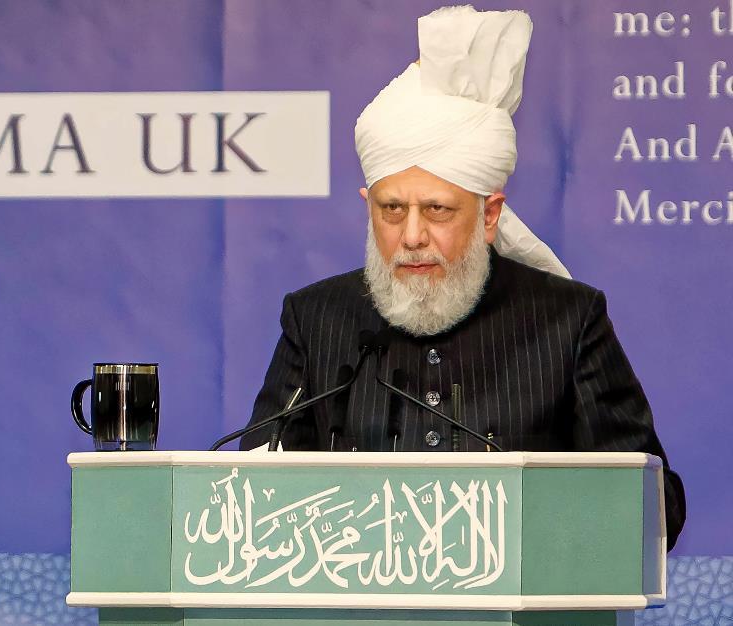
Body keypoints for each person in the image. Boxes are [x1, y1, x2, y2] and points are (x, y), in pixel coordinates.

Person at [239, 6, 686, 551]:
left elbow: (656, 509)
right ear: (367, 205)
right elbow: (254, 497)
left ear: (489, 215)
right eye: (391, 209)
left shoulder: (568, 321)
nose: (412, 236)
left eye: (438, 210)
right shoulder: (316, 319)